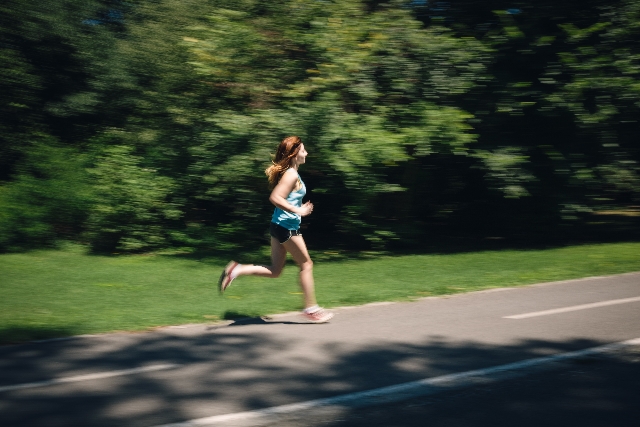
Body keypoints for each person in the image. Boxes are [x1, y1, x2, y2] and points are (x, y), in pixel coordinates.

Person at [218, 136, 335, 323]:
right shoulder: (291, 174)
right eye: (303, 150)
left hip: (279, 225)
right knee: (306, 265)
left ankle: (237, 269)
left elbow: (285, 198)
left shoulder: (291, 173)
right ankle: (311, 308)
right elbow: (275, 197)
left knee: (275, 270)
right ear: (295, 154)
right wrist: (298, 210)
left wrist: (297, 206)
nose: (306, 153)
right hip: (286, 227)